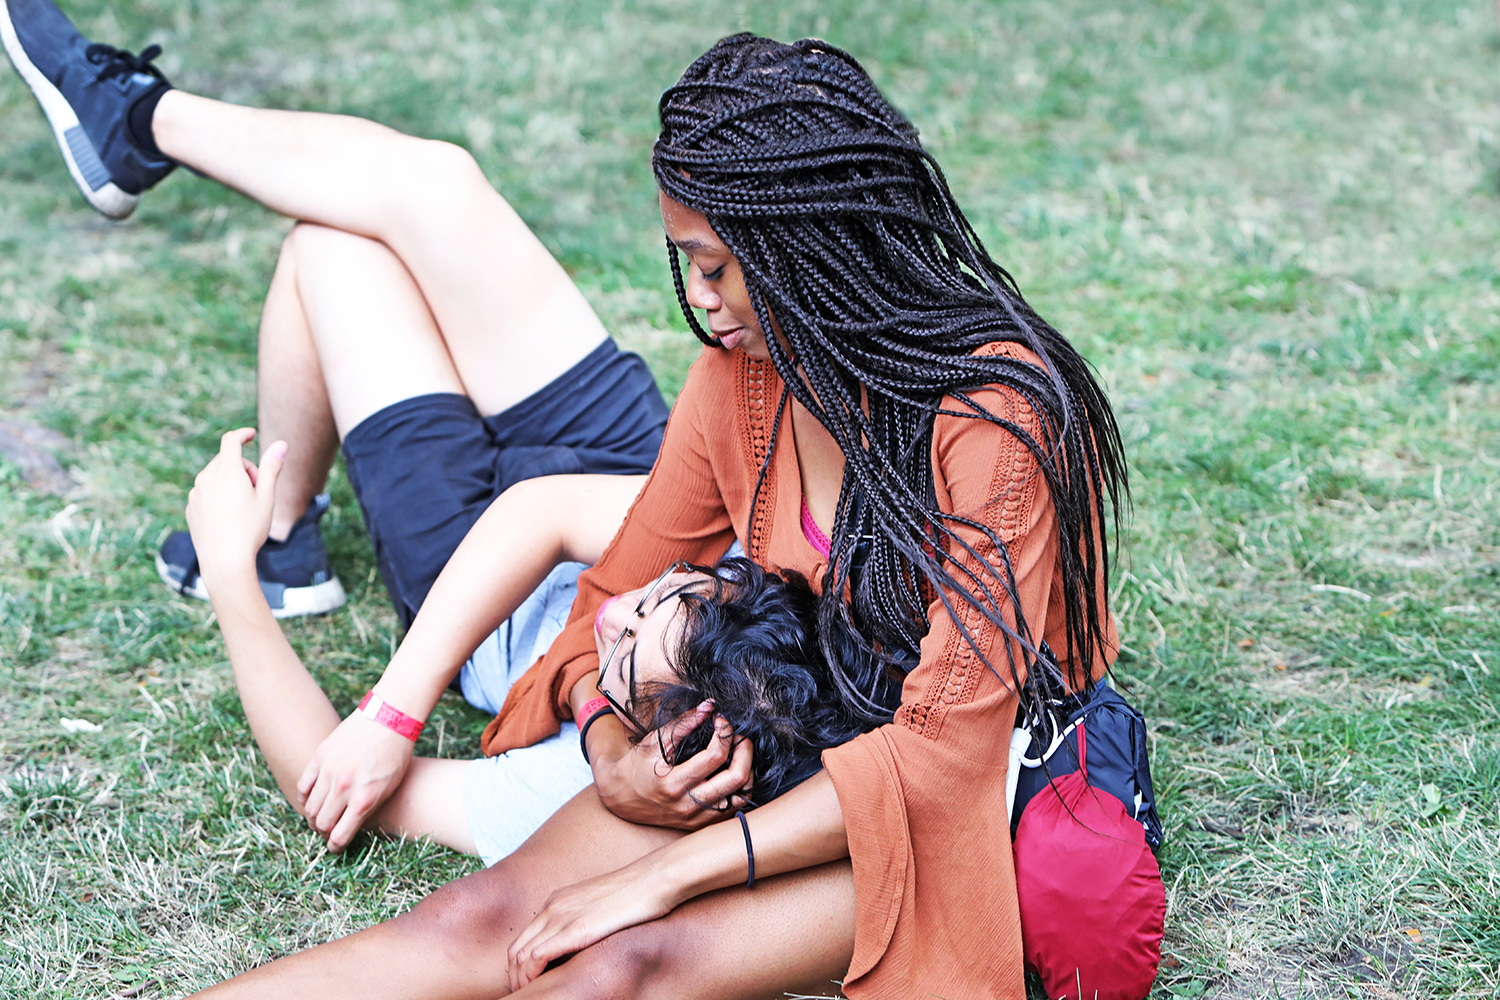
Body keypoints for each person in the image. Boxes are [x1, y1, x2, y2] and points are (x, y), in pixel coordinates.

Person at [7, 7, 1130, 997]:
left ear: (806, 252)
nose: (697, 301)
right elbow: (608, 590)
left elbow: (939, 754)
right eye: (685, 262)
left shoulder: (992, 424)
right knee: (477, 923)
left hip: (898, 788)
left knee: (621, 962)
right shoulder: (744, 378)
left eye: (714, 267)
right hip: (759, 738)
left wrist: (660, 877)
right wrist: (605, 748)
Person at [184, 432, 876, 864]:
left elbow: (331, 783)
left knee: (332, 261)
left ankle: (280, 532)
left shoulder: (563, 789)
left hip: (465, 568)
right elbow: (551, 510)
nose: (610, 609)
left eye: (622, 657)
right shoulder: (755, 584)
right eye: (660, 589)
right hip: (611, 457)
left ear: (664, 749)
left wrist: (229, 573)